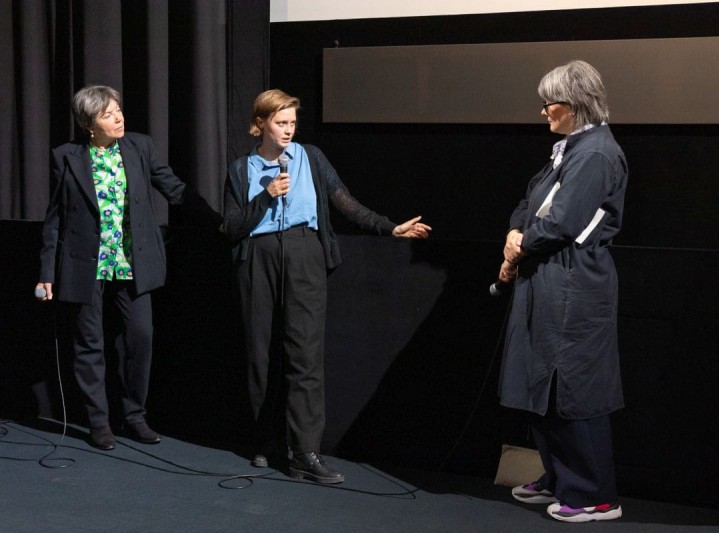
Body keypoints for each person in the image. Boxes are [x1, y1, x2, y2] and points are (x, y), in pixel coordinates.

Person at [222, 89, 430, 484]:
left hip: (304, 254)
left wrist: (389, 226)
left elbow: (345, 202)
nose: (288, 130)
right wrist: (266, 197)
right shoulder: (241, 169)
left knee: (304, 355)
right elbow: (230, 227)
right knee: (260, 355)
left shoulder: (310, 157)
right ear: (260, 124)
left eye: (293, 123)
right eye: (281, 123)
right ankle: (265, 441)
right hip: (258, 258)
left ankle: (305, 453)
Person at [498, 60, 628, 523]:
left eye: (549, 103)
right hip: (549, 280)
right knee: (544, 385)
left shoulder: (595, 154)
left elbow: (564, 223)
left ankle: (595, 494)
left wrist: (519, 246)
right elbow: (528, 201)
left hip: (575, 283)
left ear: (574, 105)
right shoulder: (568, 150)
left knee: (575, 387)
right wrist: (516, 232)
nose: (543, 112)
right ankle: (560, 477)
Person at [36, 85, 192, 451]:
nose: (118, 117)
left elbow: (173, 187)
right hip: (83, 263)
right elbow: (54, 219)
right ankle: (98, 423)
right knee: (89, 344)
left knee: (142, 336)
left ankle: (134, 415)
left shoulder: (139, 147)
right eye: (107, 114)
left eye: (118, 109)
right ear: (90, 124)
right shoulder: (67, 157)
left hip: (132, 261)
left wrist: (224, 217)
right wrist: (46, 273)